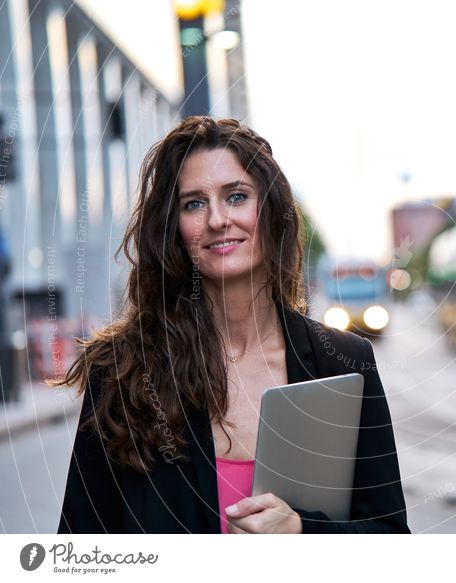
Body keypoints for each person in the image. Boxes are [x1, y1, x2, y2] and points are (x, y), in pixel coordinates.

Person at [54, 117, 409, 534]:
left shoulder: (346, 363)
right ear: (176, 230)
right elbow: (79, 548)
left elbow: (390, 536)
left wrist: (303, 533)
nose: (218, 219)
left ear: (272, 211)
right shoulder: (122, 370)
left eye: (236, 196)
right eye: (194, 203)